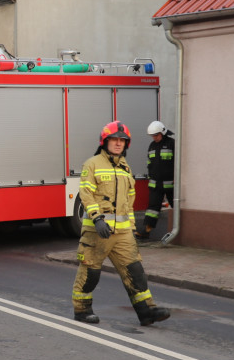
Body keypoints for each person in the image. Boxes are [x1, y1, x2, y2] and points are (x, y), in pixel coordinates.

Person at [71, 121, 171, 327]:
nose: (118, 144)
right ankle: (82, 310)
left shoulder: (125, 168)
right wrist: (97, 218)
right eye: (114, 140)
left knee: (135, 272)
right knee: (90, 273)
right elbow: (86, 194)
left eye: (122, 140)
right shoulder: (92, 164)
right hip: (97, 232)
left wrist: (133, 229)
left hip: (123, 234)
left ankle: (146, 311)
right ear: (105, 142)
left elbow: (128, 202)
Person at [137, 120, 175, 240]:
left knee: (176, 206)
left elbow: (177, 163)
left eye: (156, 135)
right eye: (152, 136)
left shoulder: (172, 144)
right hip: (155, 184)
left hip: (171, 185)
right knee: (152, 209)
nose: (154, 138)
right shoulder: (152, 146)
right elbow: (149, 163)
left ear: (162, 133)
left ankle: (180, 229)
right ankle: (145, 231)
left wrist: (176, 178)